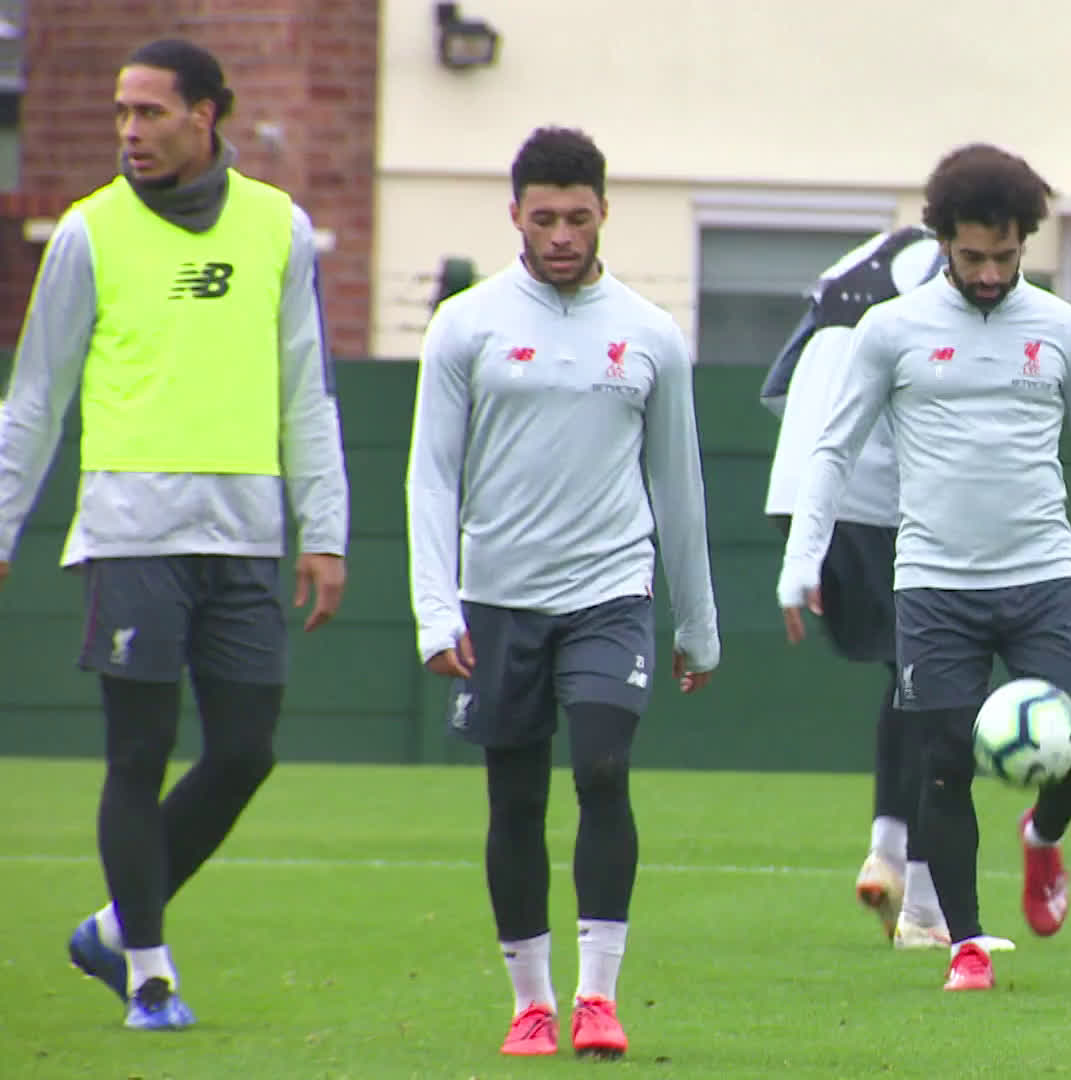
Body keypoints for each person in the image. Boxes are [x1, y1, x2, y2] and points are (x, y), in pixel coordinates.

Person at [0, 38, 350, 1031]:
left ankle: (113, 929)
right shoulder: (87, 233)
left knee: (246, 752)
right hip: (131, 534)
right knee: (137, 754)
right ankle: (148, 972)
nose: (130, 131)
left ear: (206, 115)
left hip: (245, 538)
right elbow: (35, 398)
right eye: (122, 112)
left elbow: (308, 391)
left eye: (149, 112)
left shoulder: (281, 227)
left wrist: (324, 530)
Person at [776, 143, 1071, 992]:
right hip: (935, 587)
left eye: (1005, 256)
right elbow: (832, 451)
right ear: (942, 240)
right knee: (942, 765)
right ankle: (966, 945)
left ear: (1026, 244)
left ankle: (1041, 838)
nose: (989, 274)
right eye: (973, 256)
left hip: (1042, 580)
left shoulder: (1064, 330)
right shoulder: (891, 330)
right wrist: (802, 559)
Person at [405, 125, 721, 1060]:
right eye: (543, 218)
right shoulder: (466, 324)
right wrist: (436, 608)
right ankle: (531, 1003)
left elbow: (679, 484)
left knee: (603, 770)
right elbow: (431, 475)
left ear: (604, 213)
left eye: (577, 218)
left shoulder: (650, 333)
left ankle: (598, 997)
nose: (560, 236)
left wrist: (698, 623)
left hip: (610, 592)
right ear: (515, 215)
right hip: (499, 598)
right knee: (515, 801)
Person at [760, 225, 959, 949]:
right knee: (943, 685)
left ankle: (889, 851)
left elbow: (777, 388)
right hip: (874, 497)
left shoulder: (856, 262)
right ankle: (924, 907)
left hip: (800, 490)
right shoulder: (946, 272)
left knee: (911, 677)